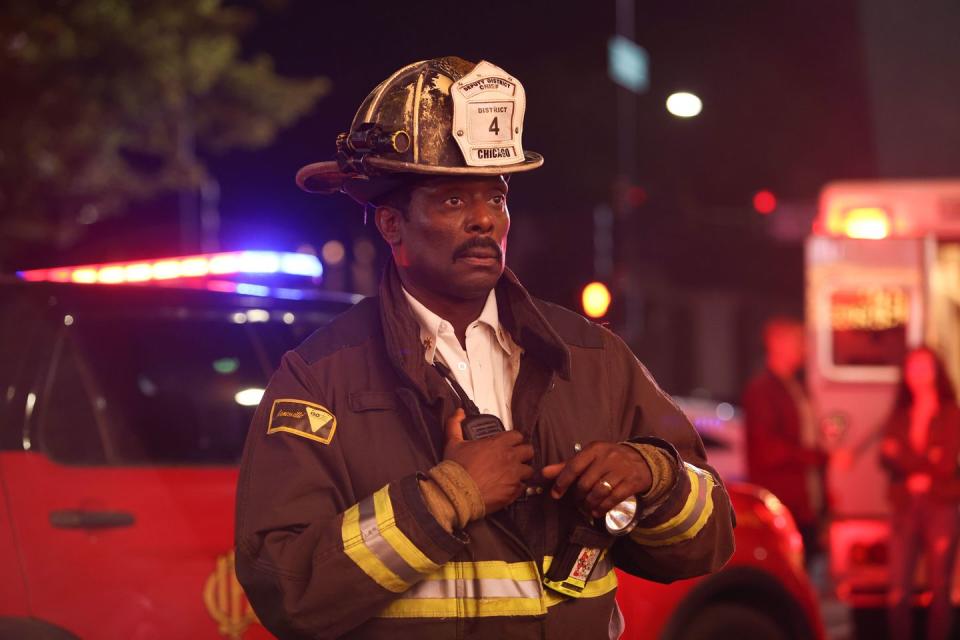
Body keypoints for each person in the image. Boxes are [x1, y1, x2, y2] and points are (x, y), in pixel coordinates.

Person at [234, 56, 734, 640]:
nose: (483, 222)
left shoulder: (591, 357)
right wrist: (447, 496)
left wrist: (653, 476)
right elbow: (285, 588)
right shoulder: (320, 378)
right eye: (451, 201)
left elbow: (711, 539)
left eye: (494, 199)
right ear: (392, 225)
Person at [880, 347, 960, 640]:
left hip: (941, 506)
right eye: (913, 367)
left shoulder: (951, 413)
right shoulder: (900, 413)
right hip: (904, 506)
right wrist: (926, 461)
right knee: (898, 589)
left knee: (940, 588)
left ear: (937, 370)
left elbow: (946, 463)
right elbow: (885, 456)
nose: (919, 374)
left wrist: (906, 460)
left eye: (925, 367)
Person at [742, 316, 827, 565]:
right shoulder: (762, 391)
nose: (806, 349)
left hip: (803, 503)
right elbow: (768, 450)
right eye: (799, 341)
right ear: (776, 344)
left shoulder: (797, 388)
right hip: (783, 503)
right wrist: (816, 457)